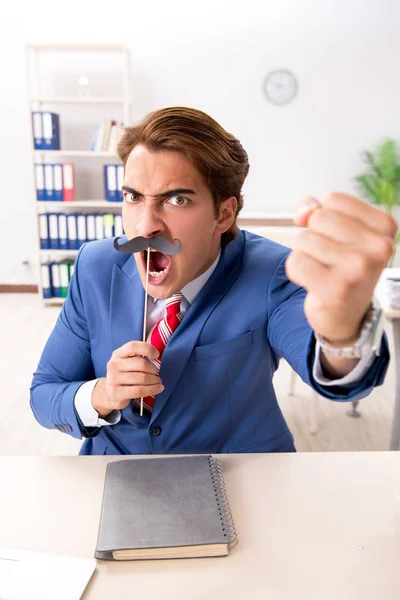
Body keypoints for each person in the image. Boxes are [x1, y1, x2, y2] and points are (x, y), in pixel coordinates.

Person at [30, 107, 395, 455]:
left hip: (241, 475)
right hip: (115, 466)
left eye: (177, 199)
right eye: (133, 197)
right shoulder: (96, 266)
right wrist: (103, 394)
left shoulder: (273, 273)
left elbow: (338, 376)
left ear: (223, 214)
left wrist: (343, 334)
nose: (146, 226)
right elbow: (44, 394)